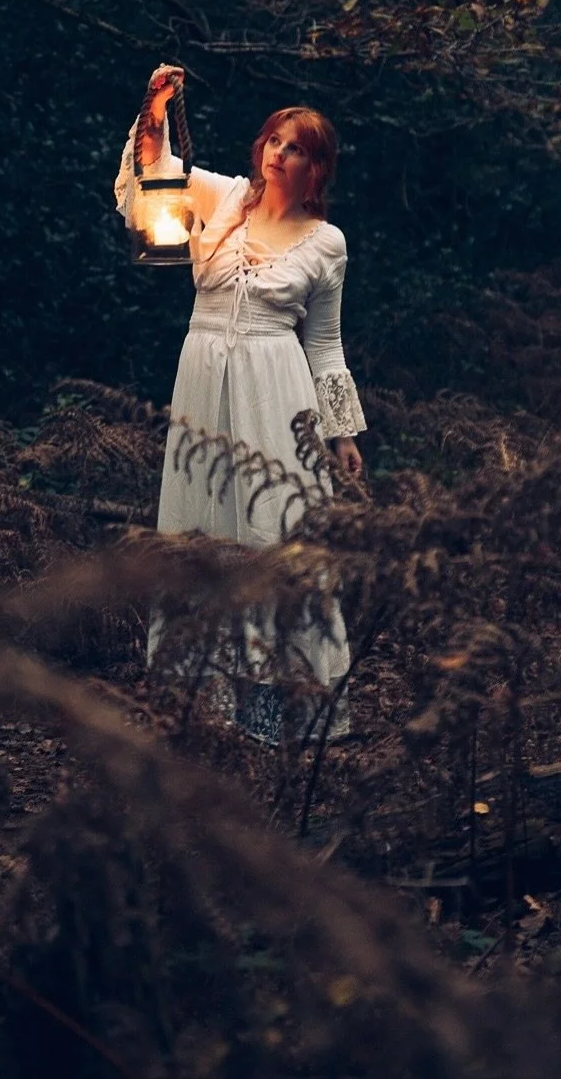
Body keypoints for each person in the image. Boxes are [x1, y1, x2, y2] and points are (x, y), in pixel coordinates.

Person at [115, 64, 367, 743]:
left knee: (271, 532)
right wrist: (156, 104)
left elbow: (324, 342)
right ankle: (203, 701)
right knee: (202, 534)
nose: (277, 153)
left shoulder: (326, 244)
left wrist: (342, 431)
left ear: (317, 167)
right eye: (273, 140)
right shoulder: (223, 196)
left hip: (275, 387)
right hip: (201, 381)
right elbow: (151, 172)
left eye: (295, 148)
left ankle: (275, 704)